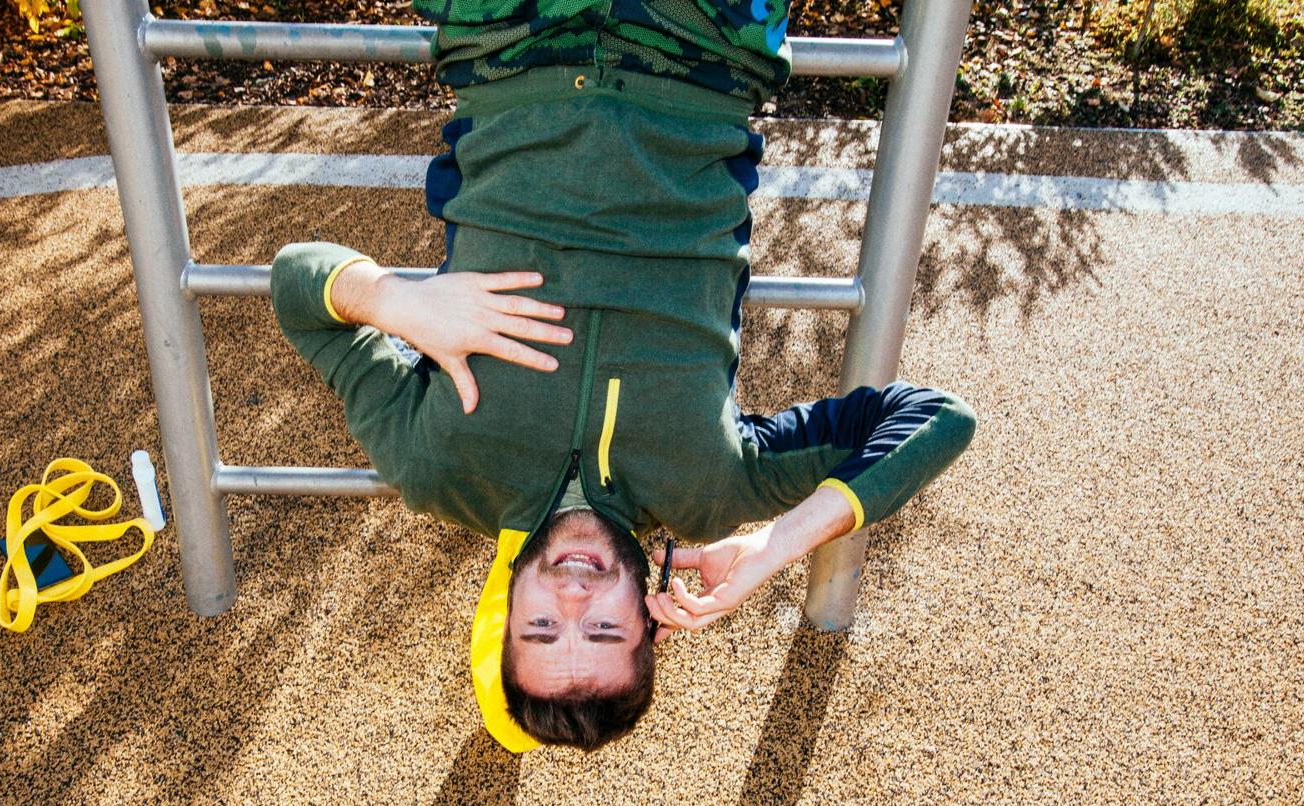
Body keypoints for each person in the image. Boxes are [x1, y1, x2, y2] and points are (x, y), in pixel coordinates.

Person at [270, 0, 977, 752]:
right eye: (604, 628)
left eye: (542, 626)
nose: (574, 597)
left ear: (504, 610)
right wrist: (776, 547)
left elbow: (293, 285)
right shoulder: (712, 490)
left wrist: (399, 303)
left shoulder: (436, 467)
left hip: (507, 41)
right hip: (703, 47)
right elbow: (938, 418)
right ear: (650, 620)